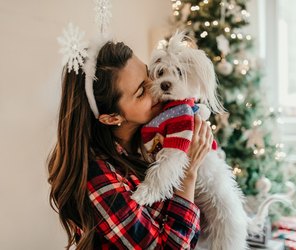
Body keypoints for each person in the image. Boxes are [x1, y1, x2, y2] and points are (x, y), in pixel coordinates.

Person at [47, 41, 213, 249]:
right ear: (111, 118)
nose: (155, 88)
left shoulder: (157, 133)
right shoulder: (96, 177)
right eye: (141, 92)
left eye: (149, 74)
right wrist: (187, 175)